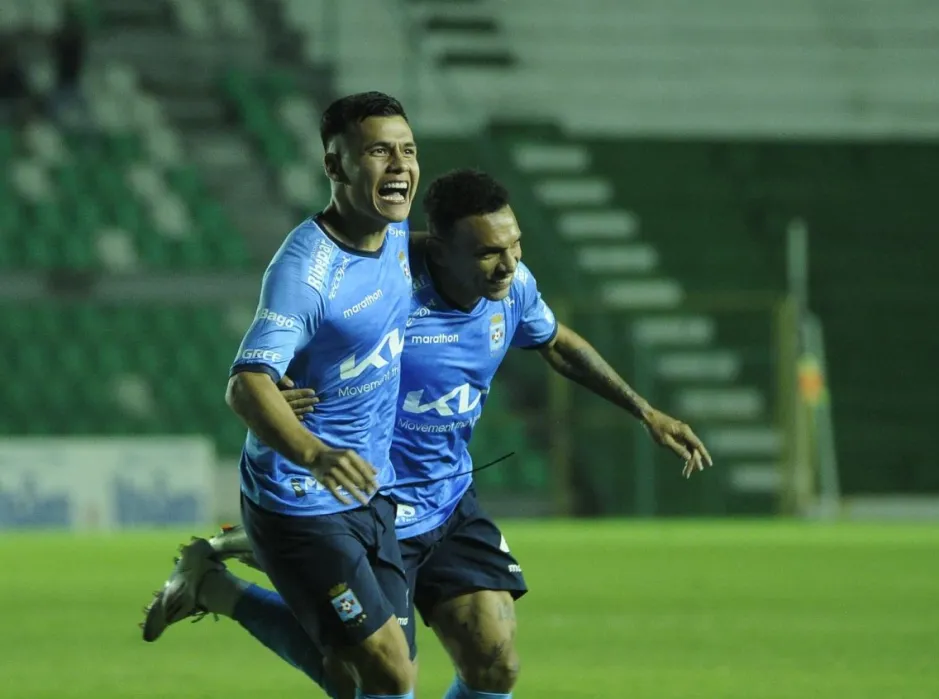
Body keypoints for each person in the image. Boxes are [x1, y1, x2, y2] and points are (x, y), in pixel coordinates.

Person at [143, 170, 711, 699]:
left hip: (445, 498)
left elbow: (556, 341)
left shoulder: (512, 289)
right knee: (366, 680)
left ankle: (249, 563)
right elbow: (271, 362)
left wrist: (645, 412)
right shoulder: (380, 293)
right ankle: (219, 589)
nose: (508, 265)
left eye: (514, 247)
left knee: (496, 663)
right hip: (368, 506)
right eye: (488, 252)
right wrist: (282, 387)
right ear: (438, 247)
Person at [141, 91, 421, 699]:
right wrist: (315, 454)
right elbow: (246, 385)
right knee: (393, 674)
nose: (399, 165)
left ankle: (213, 587)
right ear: (335, 166)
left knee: (354, 681)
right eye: (379, 151)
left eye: (408, 150)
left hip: (369, 485)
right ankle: (247, 559)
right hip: (301, 496)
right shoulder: (306, 269)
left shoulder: (394, 236)